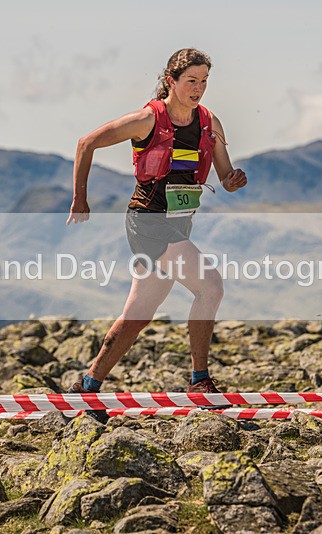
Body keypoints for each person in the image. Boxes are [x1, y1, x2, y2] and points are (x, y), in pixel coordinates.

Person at [66, 48, 247, 418]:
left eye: (204, 81)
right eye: (191, 81)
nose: (199, 89)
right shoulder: (148, 120)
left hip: (178, 223)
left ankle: (87, 385)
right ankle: (199, 380)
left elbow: (225, 176)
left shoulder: (211, 124)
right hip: (147, 222)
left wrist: (233, 180)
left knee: (139, 313)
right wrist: (80, 200)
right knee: (210, 286)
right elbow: (86, 143)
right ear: (172, 81)